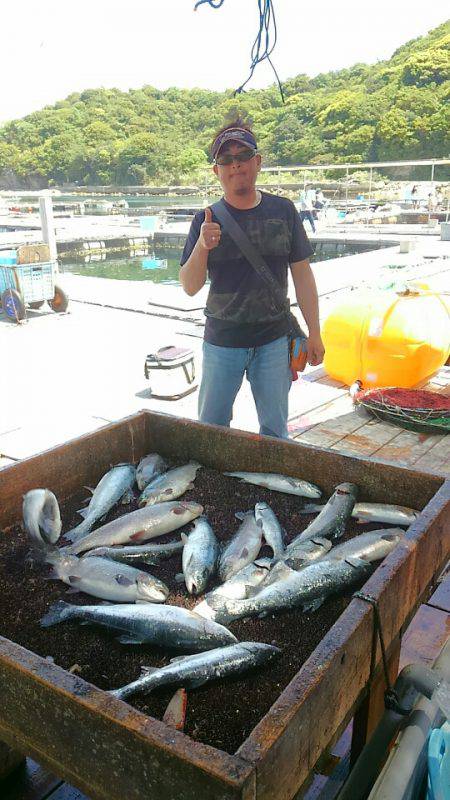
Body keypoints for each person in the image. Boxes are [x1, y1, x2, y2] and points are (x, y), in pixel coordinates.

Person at [179, 119, 324, 439]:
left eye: (242, 155)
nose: (235, 165)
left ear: (257, 161)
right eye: (225, 160)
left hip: (273, 340)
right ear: (216, 170)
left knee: (275, 432)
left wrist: (315, 332)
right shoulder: (206, 219)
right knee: (212, 432)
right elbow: (189, 286)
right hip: (222, 342)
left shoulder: (284, 210)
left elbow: (302, 274)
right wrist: (203, 246)